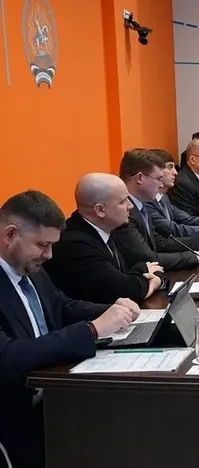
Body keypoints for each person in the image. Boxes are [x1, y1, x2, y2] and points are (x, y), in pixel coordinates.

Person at [0, 190, 140, 468]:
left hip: (55, 394)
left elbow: (62, 307)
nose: (49, 255)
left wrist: (111, 310)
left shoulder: (30, 267)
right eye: (42, 245)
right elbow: (7, 357)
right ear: (10, 234)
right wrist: (92, 330)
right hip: (16, 416)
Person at [44, 173, 166, 304]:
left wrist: (154, 278)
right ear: (100, 210)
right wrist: (145, 272)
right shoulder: (75, 245)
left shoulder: (110, 227)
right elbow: (125, 291)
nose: (130, 206)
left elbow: (146, 263)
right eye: (123, 201)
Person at [113, 149, 199, 271]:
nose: (161, 185)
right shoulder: (123, 212)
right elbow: (146, 258)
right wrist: (198, 256)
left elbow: (159, 243)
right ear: (140, 178)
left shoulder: (141, 205)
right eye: (158, 179)